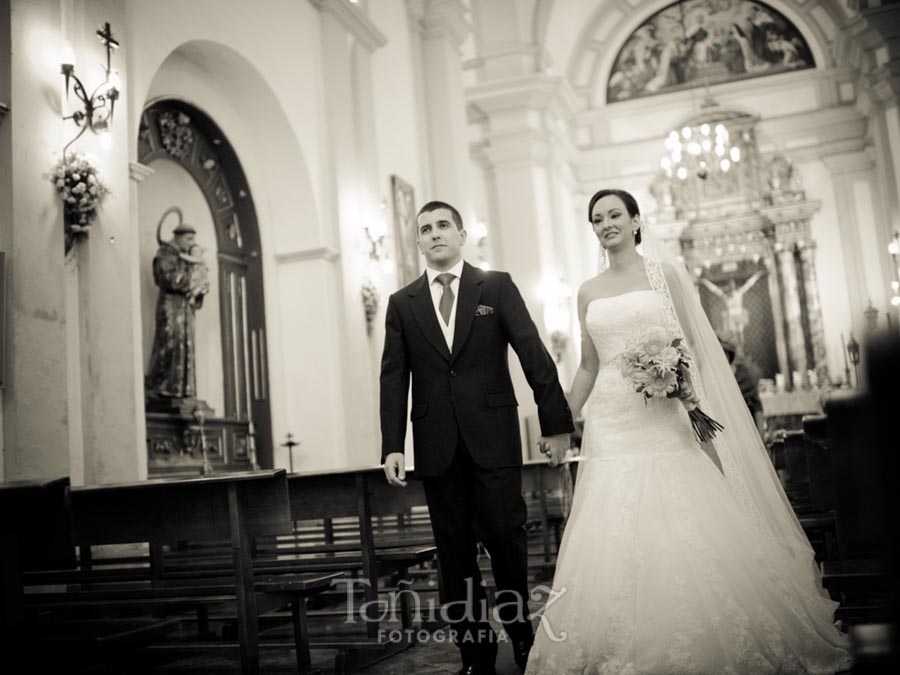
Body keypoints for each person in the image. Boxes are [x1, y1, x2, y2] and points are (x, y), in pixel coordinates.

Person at [525, 189, 851, 674]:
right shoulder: (588, 290)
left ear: (636, 221)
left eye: (615, 214)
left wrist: (684, 391)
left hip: (663, 413)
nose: (606, 224)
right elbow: (590, 366)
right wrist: (559, 418)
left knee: (682, 509)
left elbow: (693, 345)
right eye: (597, 219)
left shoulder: (666, 276)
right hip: (613, 420)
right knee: (612, 515)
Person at [380, 201, 573, 675]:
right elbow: (393, 378)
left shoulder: (496, 286)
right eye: (425, 229)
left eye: (443, 225)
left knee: (507, 546)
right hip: (436, 449)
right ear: (419, 242)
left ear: (462, 235)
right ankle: (475, 654)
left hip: (494, 440)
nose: (434, 234)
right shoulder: (402, 303)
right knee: (454, 556)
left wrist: (556, 426)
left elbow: (533, 353)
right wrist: (392, 444)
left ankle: (524, 641)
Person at [145, 222, 210, 398]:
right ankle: (162, 386)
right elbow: (166, 278)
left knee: (185, 344)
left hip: (185, 309)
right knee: (169, 342)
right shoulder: (165, 254)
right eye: (189, 239)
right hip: (170, 307)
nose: (192, 243)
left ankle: (182, 388)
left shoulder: (187, 256)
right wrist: (191, 281)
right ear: (178, 237)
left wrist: (200, 287)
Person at [719, 336, 766, 439]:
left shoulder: (743, 373)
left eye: (724, 353)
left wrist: (760, 434)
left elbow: (756, 404)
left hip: (747, 426)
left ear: (729, 354)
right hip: (726, 429)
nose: (722, 357)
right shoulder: (716, 377)